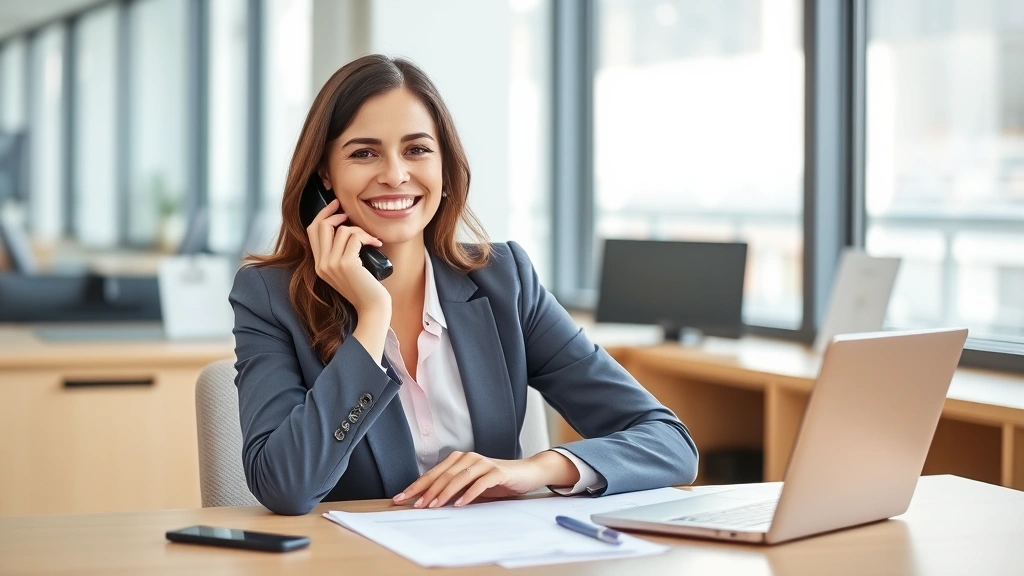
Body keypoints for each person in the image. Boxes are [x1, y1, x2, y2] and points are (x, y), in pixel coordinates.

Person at [230, 54, 698, 516]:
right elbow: (285, 486)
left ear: (444, 168)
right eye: (364, 152)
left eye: (416, 150)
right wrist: (371, 321)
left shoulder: (504, 281)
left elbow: (668, 442)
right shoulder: (270, 297)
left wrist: (539, 469)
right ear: (324, 176)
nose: (395, 174)